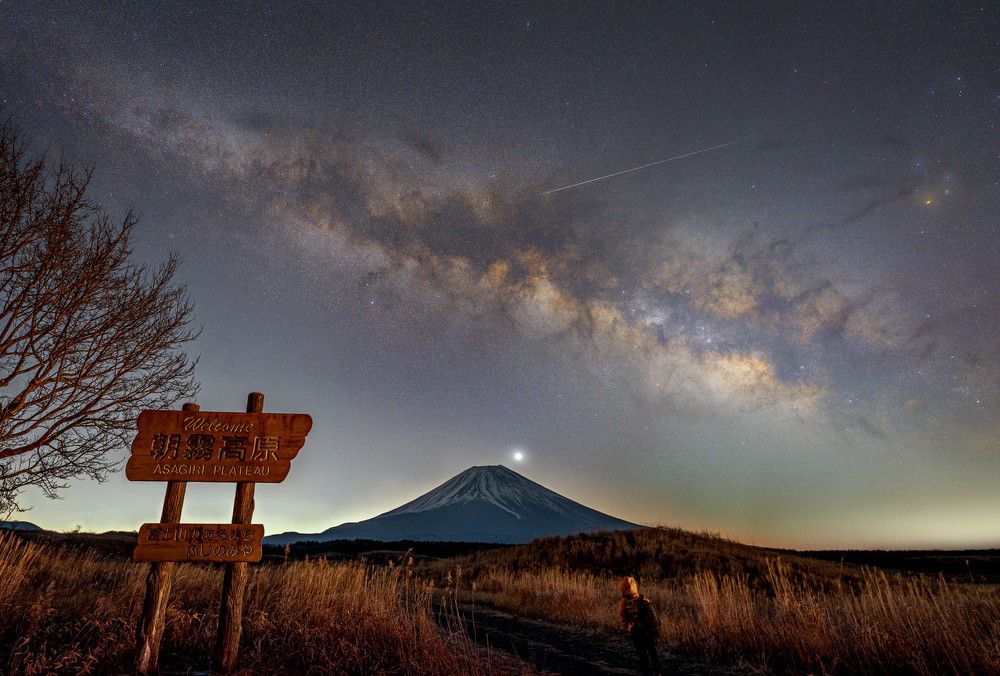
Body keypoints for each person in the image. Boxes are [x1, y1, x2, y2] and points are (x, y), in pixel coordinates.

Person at [620, 576, 661, 674]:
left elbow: (623, 616)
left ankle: (646, 672)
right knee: (652, 650)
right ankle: (658, 672)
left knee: (642, 652)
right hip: (649, 629)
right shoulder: (641, 597)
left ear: (623, 587)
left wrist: (628, 628)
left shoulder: (624, 600)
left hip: (636, 630)